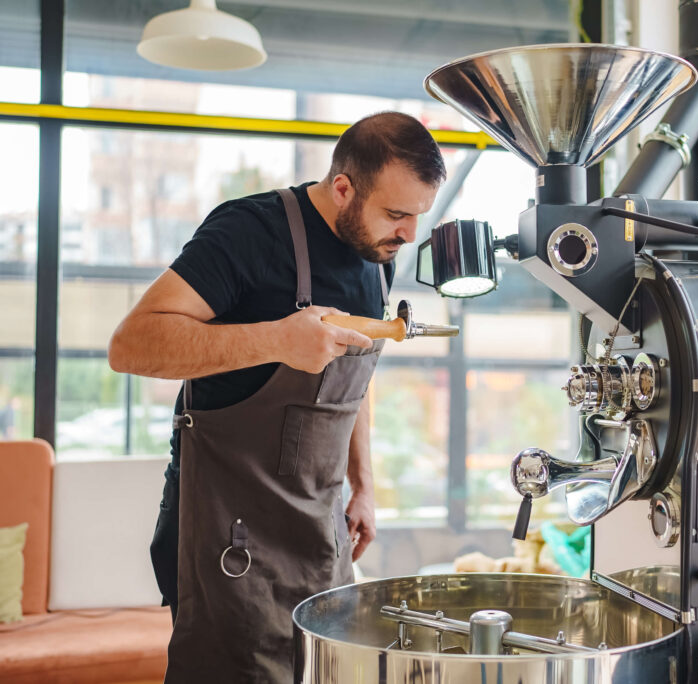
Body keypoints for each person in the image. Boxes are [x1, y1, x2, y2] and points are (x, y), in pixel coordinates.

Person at [107, 111, 445, 683]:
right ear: (343, 187)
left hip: (318, 529)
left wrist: (363, 484)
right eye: (396, 214)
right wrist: (276, 340)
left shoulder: (377, 258)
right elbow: (131, 345)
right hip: (229, 540)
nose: (408, 233)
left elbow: (352, 379)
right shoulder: (250, 231)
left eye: (417, 216)